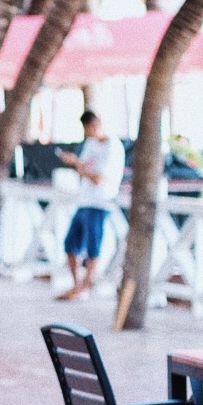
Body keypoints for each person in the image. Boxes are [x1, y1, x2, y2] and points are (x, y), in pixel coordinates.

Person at [56, 110, 126, 300]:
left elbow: (99, 178)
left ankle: (86, 285)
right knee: (70, 244)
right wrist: (77, 165)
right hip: (84, 200)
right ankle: (77, 284)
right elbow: (85, 170)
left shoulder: (113, 146)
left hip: (101, 201)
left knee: (94, 245)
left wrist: (78, 165)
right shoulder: (90, 143)